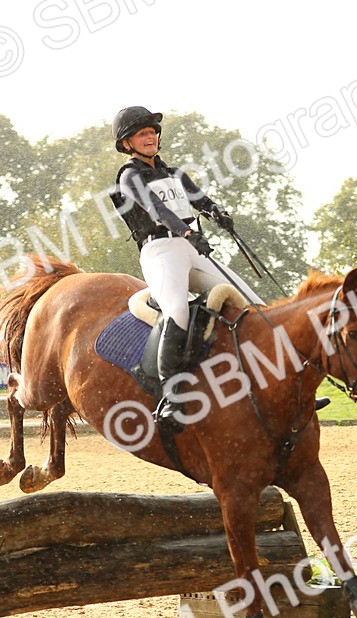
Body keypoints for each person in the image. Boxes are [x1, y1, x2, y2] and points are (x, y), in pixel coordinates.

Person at [111, 106, 265, 433]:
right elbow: (157, 210)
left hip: (190, 248)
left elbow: (200, 199)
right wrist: (187, 232)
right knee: (177, 310)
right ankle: (171, 395)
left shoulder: (176, 173)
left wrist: (217, 213)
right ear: (127, 144)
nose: (150, 136)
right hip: (161, 251)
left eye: (152, 131)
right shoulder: (129, 176)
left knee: (247, 299)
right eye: (142, 133)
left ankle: (265, 383)